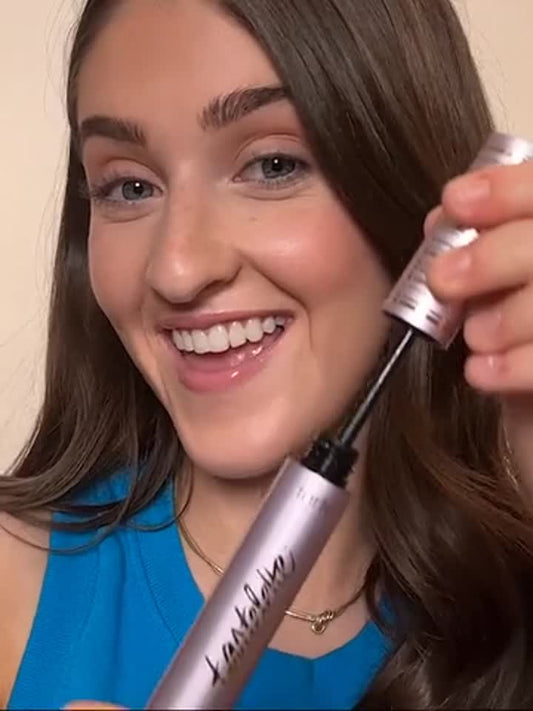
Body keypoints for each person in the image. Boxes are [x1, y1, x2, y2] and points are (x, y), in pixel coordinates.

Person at [2, 0, 533, 708]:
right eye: (129, 186)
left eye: (273, 165)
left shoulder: (509, 593)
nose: (177, 270)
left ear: (422, 208)